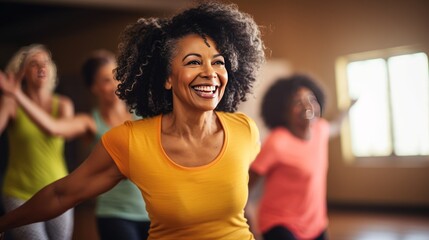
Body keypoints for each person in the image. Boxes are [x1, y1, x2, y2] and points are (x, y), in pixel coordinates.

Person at [0, 2, 265, 239]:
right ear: (167, 77)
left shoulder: (244, 130)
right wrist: (4, 222)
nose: (210, 73)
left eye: (218, 63)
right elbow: (62, 194)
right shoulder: (132, 140)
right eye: (194, 62)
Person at [0, 44, 95, 240]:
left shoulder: (63, 104)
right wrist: (12, 96)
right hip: (19, 192)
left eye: (45, 63)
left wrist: (17, 94)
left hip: (58, 191)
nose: (41, 67)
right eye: (33, 64)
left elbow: (54, 128)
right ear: (22, 72)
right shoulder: (11, 103)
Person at [247, 74, 356, 240]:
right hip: (280, 225)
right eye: (297, 102)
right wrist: (251, 228)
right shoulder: (277, 142)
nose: (307, 106)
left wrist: (348, 108)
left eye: (311, 99)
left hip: (316, 224)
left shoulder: (320, 129)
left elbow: (337, 126)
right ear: (283, 112)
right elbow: (246, 187)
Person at [81, 50, 150, 240]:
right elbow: (55, 127)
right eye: (105, 80)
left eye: (116, 76)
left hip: (152, 212)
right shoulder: (90, 122)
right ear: (94, 87)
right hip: (114, 213)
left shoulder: (143, 115)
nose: (114, 84)